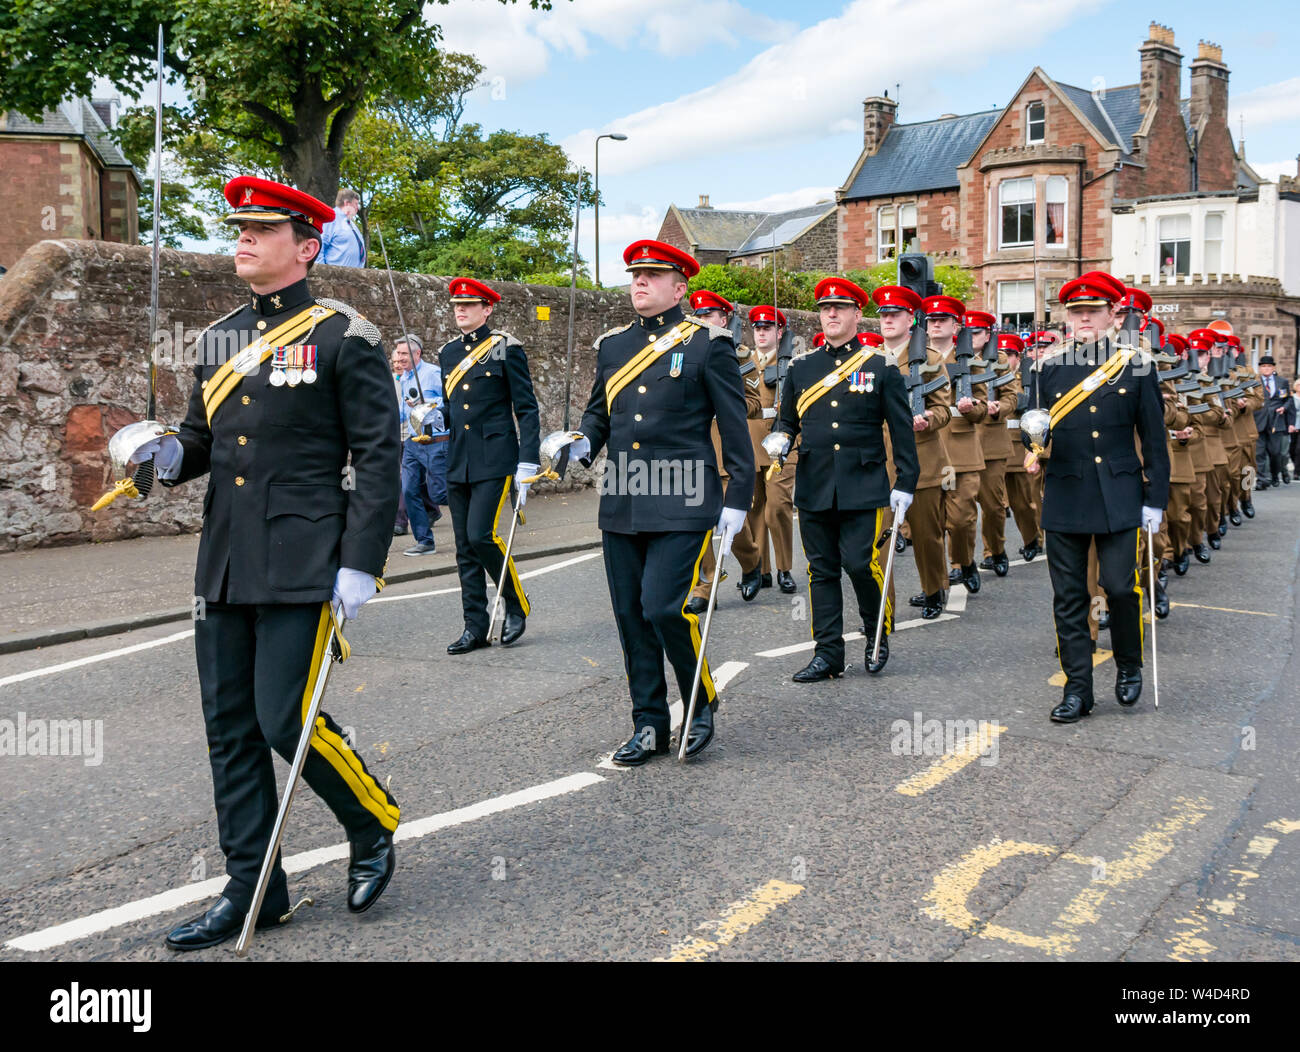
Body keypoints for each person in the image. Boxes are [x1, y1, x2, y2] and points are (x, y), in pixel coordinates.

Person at [117, 176, 401, 949]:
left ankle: (371, 822)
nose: (241, 238)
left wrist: (361, 563)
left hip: (307, 555)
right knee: (229, 726)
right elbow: (200, 441)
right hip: (228, 555)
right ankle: (253, 890)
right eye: (238, 227)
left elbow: (379, 457)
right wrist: (165, 455)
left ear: (306, 246)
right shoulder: (218, 339)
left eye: (262, 229)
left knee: (284, 718)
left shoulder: (347, 335)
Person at [568, 239, 755, 765]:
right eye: (635, 276)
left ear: (680, 287)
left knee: (662, 606)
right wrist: (581, 443)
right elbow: (599, 413)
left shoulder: (708, 344)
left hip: (685, 495)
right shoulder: (613, 346)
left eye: (652, 276)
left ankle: (697, 703)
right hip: (625, 495)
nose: (640, 284)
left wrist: (738, 495)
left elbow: (733, 426)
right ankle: (648, 723)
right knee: (630, 616)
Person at [1025, 270, 1168, 723]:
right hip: (1066, 490)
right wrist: (1033, 447)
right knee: (1068, 597)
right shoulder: (1046, 367)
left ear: (1113, 314)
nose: (1084, 318)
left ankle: (1129, 664)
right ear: (1067, 316)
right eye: (1076, 311)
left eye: (1093, 311)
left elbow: (1154, 436)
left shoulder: (1137, 364)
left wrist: (1156, 500)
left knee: (1121, 587)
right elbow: (1034, 429)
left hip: (1121, 491)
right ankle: (1078, 690)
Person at [768, 277, 918, 681]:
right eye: (824, 308)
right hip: (815, 482)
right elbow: (787, 420)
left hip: (864, 483)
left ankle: (875, 633)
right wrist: (780, 439)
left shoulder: (879, 366)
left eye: (839, 307)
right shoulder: (801, 367)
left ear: (855, 313)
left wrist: (906, 481)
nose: (831, 314)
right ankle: (828, 653)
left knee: (859, 563)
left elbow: (901, 429)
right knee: (821, 570)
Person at [438, 278, 540, 652]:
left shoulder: (504, 349)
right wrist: (434, 418)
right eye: (456, 305)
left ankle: (516, 604)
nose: (460, 310)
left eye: (469, 305)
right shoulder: (448, 353)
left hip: (495, 458)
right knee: (464, 546)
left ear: (487, 309)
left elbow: (526, 408)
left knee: (482, 535)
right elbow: (454, 410)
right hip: (458, 458)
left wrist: (528, 459)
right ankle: (474, 627)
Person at [873, 284, 953, 619]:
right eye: (884, 315)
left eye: (895, 315)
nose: (888, 320)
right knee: (879, 543)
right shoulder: (869, 358)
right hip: (878, 462)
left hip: (920, 459)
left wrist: (929, 419)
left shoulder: (929, 360)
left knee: (926, 535)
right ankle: (880, 607)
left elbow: (944, 409)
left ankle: (934, 589)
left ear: (910, 319)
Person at [685, 288, 763, 613]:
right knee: (695, 522)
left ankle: (752, 560)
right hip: (695, 450)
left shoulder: (740, 355)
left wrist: (724, 406)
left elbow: (756, 403)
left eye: (709, 315)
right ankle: (704, 587)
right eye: (698, 315)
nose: (702, 320)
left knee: (734, 522)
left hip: (727, 449)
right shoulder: (684, 350)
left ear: (724, 318)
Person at [746, 304, 799, 593]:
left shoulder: (792, 363)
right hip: (751, 444)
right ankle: (761, 569)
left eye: (768, 328)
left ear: (780, 332)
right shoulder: (744, 362)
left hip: (781, 447)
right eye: (758, 328)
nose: (762, 333)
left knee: (777, 507)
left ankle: (784, 568)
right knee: (755, 509)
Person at [970, 318, 1021, 577]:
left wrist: (998, 408)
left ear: (988, 334)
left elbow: (1011, 396)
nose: (971, 336)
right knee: (959, 509)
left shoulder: (999, 360)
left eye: (976, 332)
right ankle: (960, 563)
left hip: (990, 439)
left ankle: (995, 550)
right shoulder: (953, 356)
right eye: (967, 331)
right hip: (960, 440)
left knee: (992, 505)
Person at [394, 334, 448, 555]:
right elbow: (405, 411)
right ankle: (424, 540)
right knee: (408, 490)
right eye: (398, 353)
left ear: (417, 354)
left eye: (404, 353)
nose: (400, 358)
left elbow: (450, 400)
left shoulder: (434, 374)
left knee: (440, 494)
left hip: (437, 441)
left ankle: (475, 523)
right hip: (413, 442)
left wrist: (429, 406)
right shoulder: (405, 377)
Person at [1255, 355, 1294, 487]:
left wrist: (1284, 407)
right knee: (1259, 452)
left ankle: (1274, 475)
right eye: (1263, 366)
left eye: (1269, 366)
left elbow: (1288, 399)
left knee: (1275, 452)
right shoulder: (1255, 382)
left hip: (1276, 422)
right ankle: (1261, 480)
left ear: (1273, 368)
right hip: (1259, 420)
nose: (1266, 369)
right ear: (1260, 368)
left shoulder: (1281, 381)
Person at [320, 188, 367, 267]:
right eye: (356, 204)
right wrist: (321, 272)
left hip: (356, 275)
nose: (357, 208)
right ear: (347, 203)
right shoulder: (331, 218)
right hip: (333, 276)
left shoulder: (352, 224)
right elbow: (320, 245)